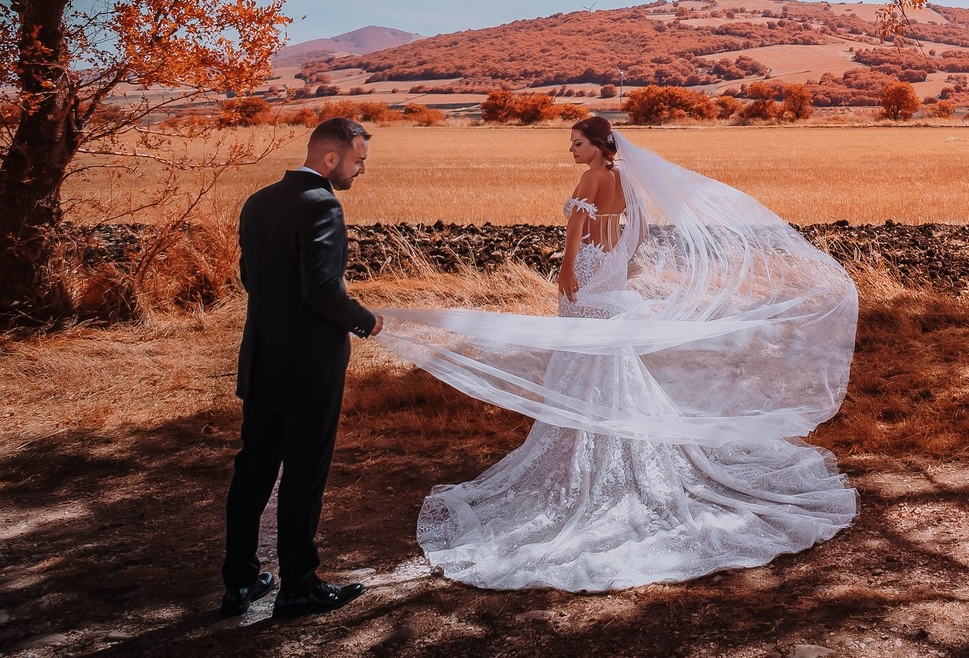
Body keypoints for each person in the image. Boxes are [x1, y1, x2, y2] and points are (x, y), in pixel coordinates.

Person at [375, 118, 857, 592]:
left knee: (583, 351)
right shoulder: (624, 178)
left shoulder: (592, 177)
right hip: (609, 266)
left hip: (587, 268)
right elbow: (638, 229)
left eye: (577, 142)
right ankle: (601, 433)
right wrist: (620, 261)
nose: (571, 150)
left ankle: (583, 443)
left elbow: (576, 228)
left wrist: (567, 269)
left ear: (597, 145)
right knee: (606, 354)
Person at [219, 117, 382, 620]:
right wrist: (366, 322)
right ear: (331, 158)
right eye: (357, 161)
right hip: (310, 364)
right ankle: (299, 586)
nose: (360, 170)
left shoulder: (258, 201)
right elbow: (322, 290)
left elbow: (250, 278)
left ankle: (240, 580)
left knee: (253, 469)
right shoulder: (322, 204)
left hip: (262, 355)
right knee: (303, 474)